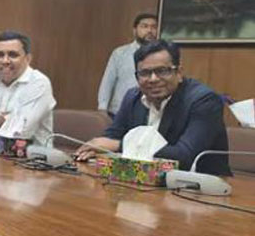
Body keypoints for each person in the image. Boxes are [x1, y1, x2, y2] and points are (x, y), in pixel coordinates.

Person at [77, 40, 230, 175]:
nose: (153, 79)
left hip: (201, 187)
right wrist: (95, 150)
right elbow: (111, 137)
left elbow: (184, 156)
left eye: (162, 71)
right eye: (145, 73)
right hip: (143, 181)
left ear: (179, 73)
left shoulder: (204, 101)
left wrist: (118, 145)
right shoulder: (133, 97)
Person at [97, 13, 158, 115]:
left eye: (154, 27)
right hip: (119, 111)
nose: (149, 30)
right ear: (135, 30)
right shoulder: (120, 53)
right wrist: (102, 108)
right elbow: (108, 81)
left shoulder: (161, 56)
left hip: (150, 112)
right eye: (144, 26)